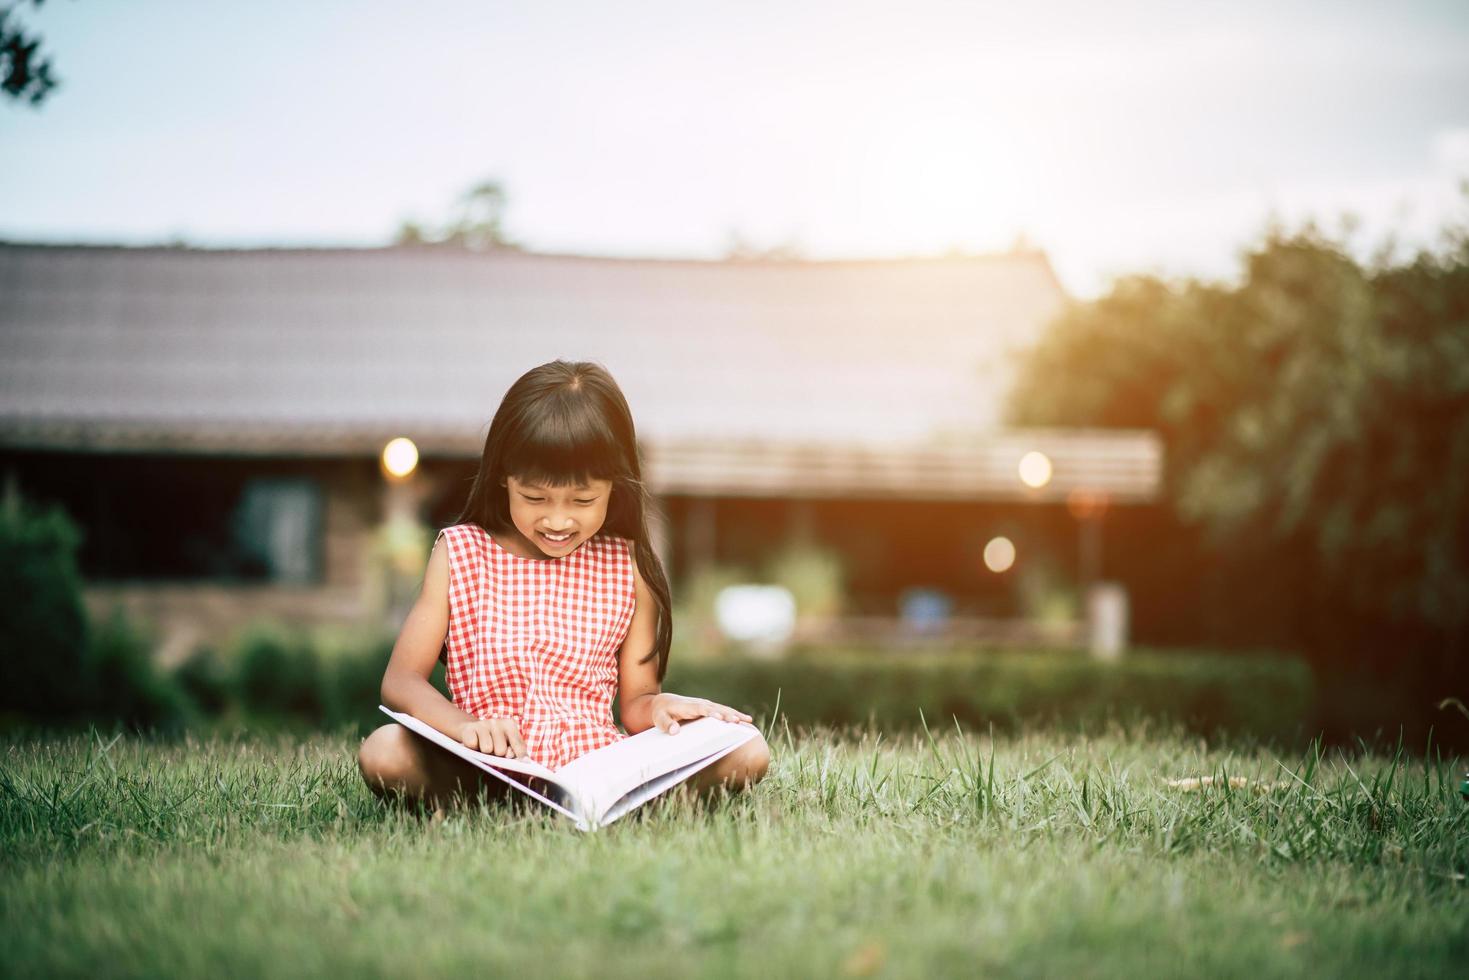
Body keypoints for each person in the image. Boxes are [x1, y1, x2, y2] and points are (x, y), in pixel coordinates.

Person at [357, 359, 771, 812]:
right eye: (534, 498)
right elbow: (401, 680)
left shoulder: (628, 565)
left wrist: (659, 707)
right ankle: (517, 801)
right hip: (486, 764)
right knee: (384, 750)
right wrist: (463, 727)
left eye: (583, 500)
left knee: (747, 750)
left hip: (597, 765)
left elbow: (636, 702)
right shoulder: (460, 553)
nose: (557, 520)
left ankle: (590, 804)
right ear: (504, 478)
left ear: (615, 486)